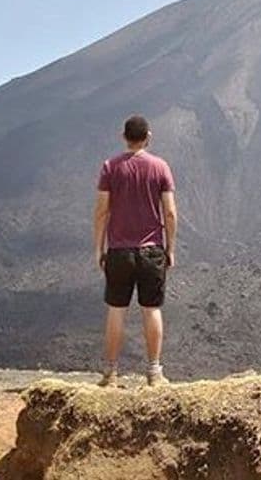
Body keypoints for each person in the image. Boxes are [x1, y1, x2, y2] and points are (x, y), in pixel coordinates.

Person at [93, 114, 177, 387]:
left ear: (124, 137)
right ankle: (154, 372)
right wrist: (170, 249)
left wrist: (99, 248)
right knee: (151, 309)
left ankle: (111, 373)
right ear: (148, 137)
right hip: (152, 249)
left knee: (116, 310)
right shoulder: (160, 167)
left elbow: (102, 210)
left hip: (118, 251)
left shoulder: (110, 167)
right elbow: (171, 213)